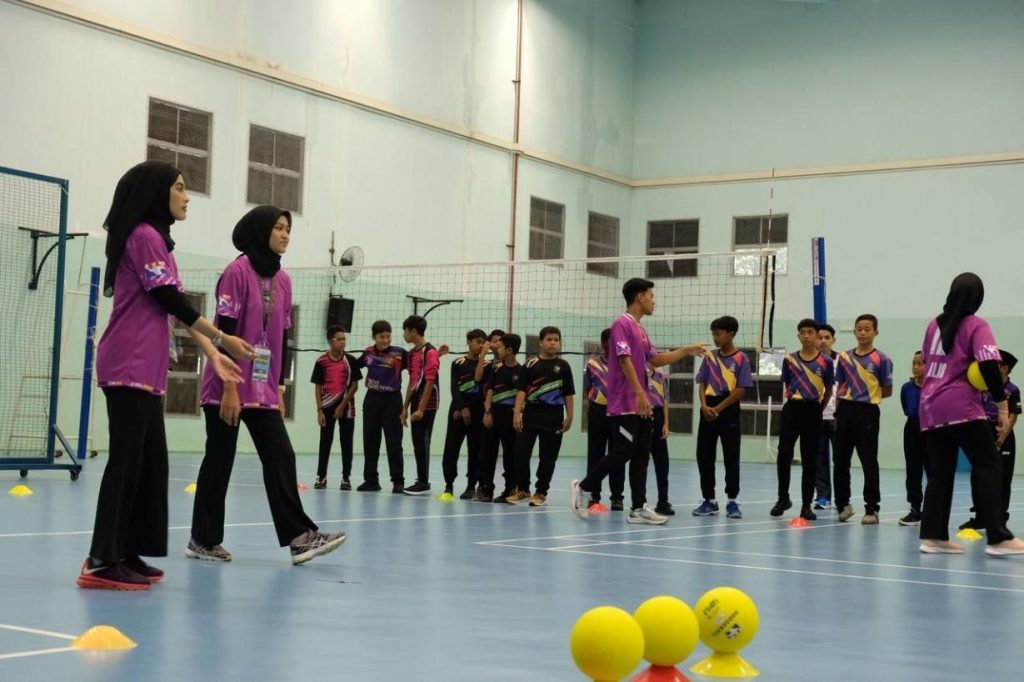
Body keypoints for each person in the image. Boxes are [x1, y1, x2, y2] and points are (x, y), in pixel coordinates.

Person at [78, 161, 251, 591]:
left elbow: (173, 308)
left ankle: (126, 552)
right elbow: (169, 296)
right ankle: (101, 560)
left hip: (146, 369)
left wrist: (213, 352)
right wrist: (223, 338)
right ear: (157, 193)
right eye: (179, 187)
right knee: (126, 462)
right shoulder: (145, 236)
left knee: (151, 464)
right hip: (128, 364)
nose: (187, 195)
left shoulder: (158, 243)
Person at [187, 206, 347, 565]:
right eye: (278, 228)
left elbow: (283, 337)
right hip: (227, 386)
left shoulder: (284, 280)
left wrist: (277, 385)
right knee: (220, 460)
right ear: (260, 231)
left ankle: (299, 537)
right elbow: (224, 332)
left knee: (281, 455)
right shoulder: (235, 272)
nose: (285, 234)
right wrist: (229, 386)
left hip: (260, 388)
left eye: (288, 228)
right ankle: (203, 539)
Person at [570, 278, 704, 524]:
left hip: (642, 403)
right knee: (624, 450)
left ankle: (639, 507)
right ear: (640, 297)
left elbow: (656, 360)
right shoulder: (622, 324)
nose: (654, 301)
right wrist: (640, 392)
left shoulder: (641, 330)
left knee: (642, 454)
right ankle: (584, 486)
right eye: (651, 296)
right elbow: (623, 360)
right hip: (625, 401)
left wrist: (687, 350)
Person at [918, 273, 1024, 556]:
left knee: (940, 472)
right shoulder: (977, 325)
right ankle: (998, 537)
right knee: (989, 464)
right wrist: (1002, 406)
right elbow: (990, 366)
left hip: (929, 405)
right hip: (961, 406)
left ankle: (933, 535)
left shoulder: (932, 326)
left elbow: (928, 362)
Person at [832, 314, 893, 524]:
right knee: (840, 460)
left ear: (875, 332)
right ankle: (843, 505)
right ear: (855, 331)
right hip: (845, 410)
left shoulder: (882, 359)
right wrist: (839, 413)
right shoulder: (844, 358)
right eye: (859, 329)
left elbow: (887, 390)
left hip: (868, 411)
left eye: (867, 329)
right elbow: (840, 387)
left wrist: (867, 395)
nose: (863, 333)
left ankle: (871, 508)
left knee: (868, 460)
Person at [773, 318, 834, 521]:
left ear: (817, 335)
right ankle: (783, 499)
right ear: (798, 335)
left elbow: (828, 389)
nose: (806, 336)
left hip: (813, 410)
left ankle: (807, 505)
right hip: (792, 409)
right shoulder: (790, 359)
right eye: (802, 332)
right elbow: (787, 384)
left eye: (810, 332)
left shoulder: (826, 361)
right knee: (784, 455)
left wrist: (818, 408)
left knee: (810, 459)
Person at [693, 315, 752, 520]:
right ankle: (709, 500)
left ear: (731, 334)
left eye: (718, 334)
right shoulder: (709, 357)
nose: (715, 338)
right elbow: (701, 383)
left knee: (731, 457)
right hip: (708, 408)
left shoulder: (741, 358)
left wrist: (717, 409)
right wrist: (703, 406)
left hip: (728, 409)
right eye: (713, 334)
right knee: (704, 456)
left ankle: (732, 501)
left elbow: (741, 389)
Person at [509, 326, 575, 506]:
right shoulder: (530, 364)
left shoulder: (563, 366)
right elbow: (521, 391)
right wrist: (517, 414)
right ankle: (523, 489)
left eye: (556, 339)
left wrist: (569, 416)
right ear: (541, 342)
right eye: (549, 339)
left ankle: (540, 492)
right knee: (521, 452)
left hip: (553, 415)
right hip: (531, 413)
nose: (553, 343)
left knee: (548, 456)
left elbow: (569, 393)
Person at [959, 350, 1020, 529]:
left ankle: (1000, 517)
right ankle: (980, 516)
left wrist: (1002, 437)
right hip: (983, 432)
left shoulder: (1012, 390)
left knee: (1002, 477)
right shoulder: (983, 387)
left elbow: (1013, 416)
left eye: (996, 365)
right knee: (977, 475)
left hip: (1003, 434)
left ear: (1004, 368)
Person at [356, 321, 408, 493]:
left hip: (393, 400)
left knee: (394, 442)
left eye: (388, 336)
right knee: (370, 441)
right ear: (374, 337)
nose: (385, 340)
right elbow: (355, 366)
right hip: (372, 399)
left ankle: (398, 481)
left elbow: (419, 365)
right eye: (381, 337)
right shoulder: (368, 353)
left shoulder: (399, 353)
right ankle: (371, 480)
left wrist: (436, 355)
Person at [311, 325, 362, 490]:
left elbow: (355, 386)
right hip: (326, 407)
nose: (343, 342)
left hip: (346, 408)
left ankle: (346, 478)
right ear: (330, 341)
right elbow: (318, 386)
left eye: (344, 339)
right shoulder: (321, 361)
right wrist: (319, 410)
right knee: (324, 442)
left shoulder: (351, 361)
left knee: (346, 443)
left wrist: (342, 405)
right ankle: (321, 477)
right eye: (339, 339)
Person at [440, 329, 488, 500]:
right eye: (477, 341)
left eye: (483, 342)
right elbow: (454, 388)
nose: (480, 345)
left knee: (475, 450)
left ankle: (471, 486)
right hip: (458, 412)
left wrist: (471, 409)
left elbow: (482, 392)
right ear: (468, 342)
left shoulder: (486, 366)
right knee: (451, 448)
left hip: (477, 413)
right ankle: (448, 486)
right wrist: (461, 408)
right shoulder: (458, 363)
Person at [582, 329, 625, 510]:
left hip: (619, 413)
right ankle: (594, 495)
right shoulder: (593, 364)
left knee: (618, 454)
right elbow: (587, 389)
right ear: (603, 344)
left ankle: (617, 497)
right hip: (598, 412)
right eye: (609, 341)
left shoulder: (625, 364)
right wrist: (595, 405)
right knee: (595, 454)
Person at [477, 333, 522, 503]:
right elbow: (490, 390)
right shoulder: (497, 368)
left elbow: (521, 395)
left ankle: (510, 488)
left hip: (510, 417)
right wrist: (487, 412)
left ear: (509, 350)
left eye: (501, 346)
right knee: (489, 453)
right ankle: (487, 488)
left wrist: (518, 414)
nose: (498, 349)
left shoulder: (521, 371)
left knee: (510, 454)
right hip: (493, 415)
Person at [401, 315, 440, 495]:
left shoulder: (430, 352)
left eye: (405, 330)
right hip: (416, 400)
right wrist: (405, 407)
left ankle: (424, 483)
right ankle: (421, 478)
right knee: (417, 441)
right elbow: (412, 381)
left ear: (414, 331)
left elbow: (430, 381)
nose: (404, 334)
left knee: (423, 440)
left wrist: (422, 409)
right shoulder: (412, 354)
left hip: (428, 402)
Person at [897, 351, 927, 526]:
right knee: (913, 470)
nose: (916, 367)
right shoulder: (906, 388)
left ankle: (933, 510)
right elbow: (905, 407)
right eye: (914, 363)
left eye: (920, 363)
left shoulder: (935, 387)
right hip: (912, 428)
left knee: (933, 471)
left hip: (931, 429)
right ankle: (915, 509)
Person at [814, 324, 838, 510]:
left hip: (838, 417)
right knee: (819, 458)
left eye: (827, 337)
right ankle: (823, 497)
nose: (823, 341)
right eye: (820, 337)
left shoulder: (844, 361)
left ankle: (842, 499)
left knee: (840, 459)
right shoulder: (810, 362)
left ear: (833, 340)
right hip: (817, 416)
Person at [647, 364, 673, 515]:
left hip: (658, 418)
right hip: (642, 416)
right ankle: (639, 502)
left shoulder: (660, 375)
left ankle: (663, 502)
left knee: (663, 463)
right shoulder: (638, 372)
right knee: (641, 462)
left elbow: (665, 400)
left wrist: (666, 423)